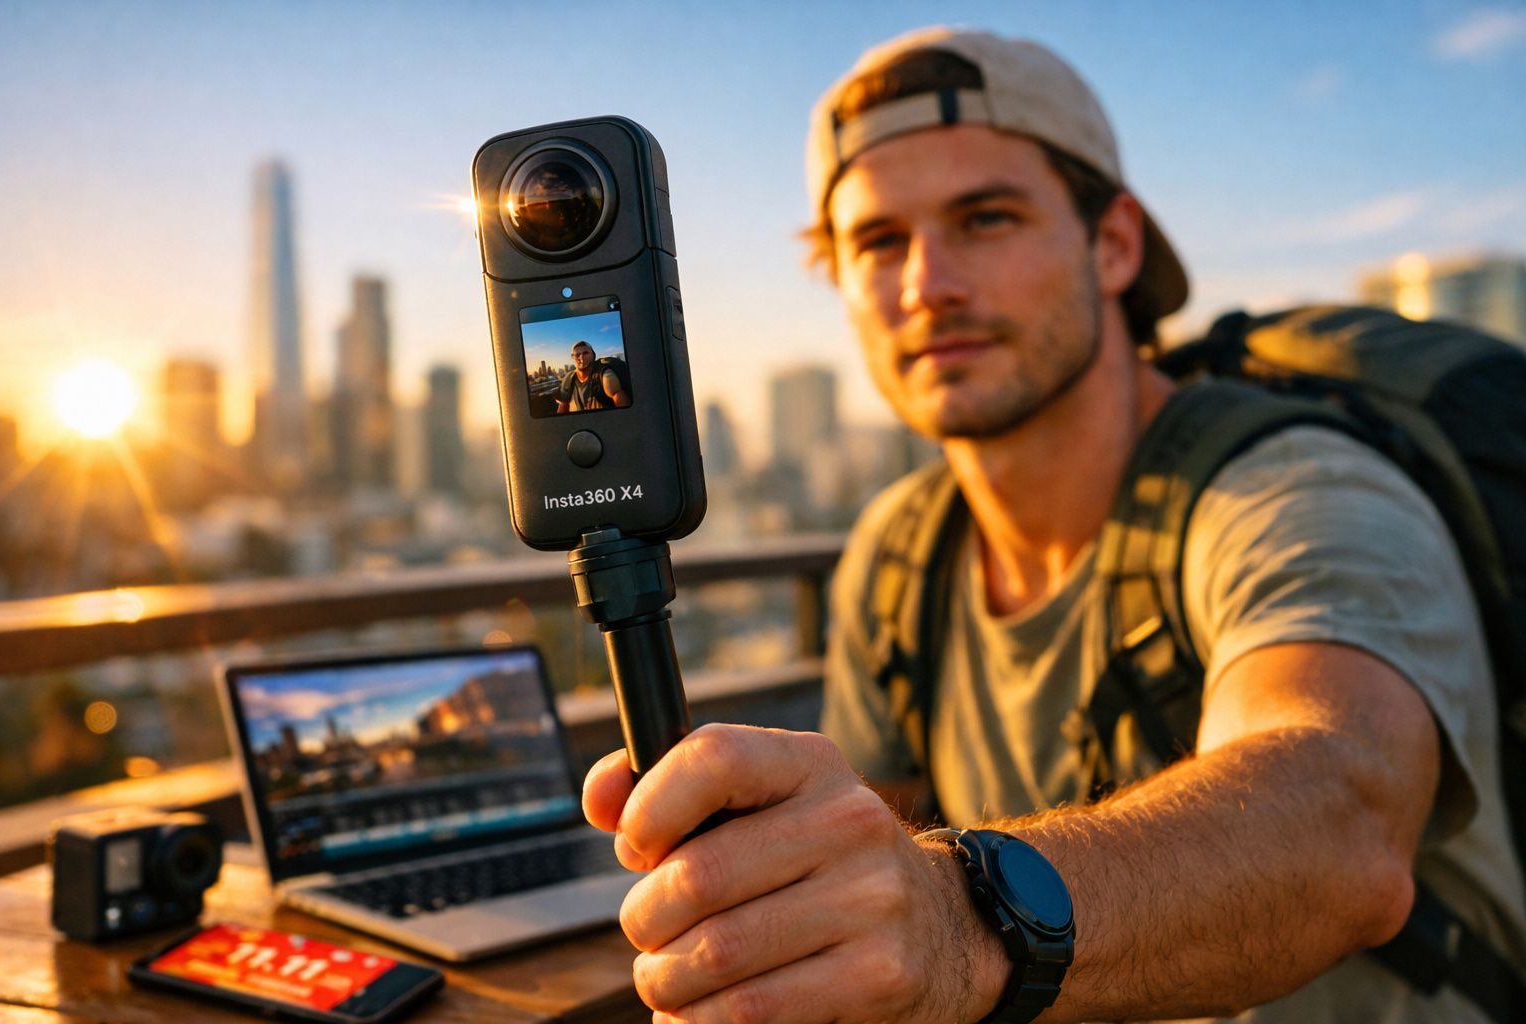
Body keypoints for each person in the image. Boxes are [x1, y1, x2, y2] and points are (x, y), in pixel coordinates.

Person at [582, 26, 1526, 1024]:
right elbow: (875, 870)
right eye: (878, 242)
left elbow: (1338, 820)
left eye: (985, 218)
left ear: (1113, 244)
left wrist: (960, 918)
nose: (926, 285)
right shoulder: (901, 552)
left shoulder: (1293, 489)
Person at [557, 340, 628, 412]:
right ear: (573, 357)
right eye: (577, 354)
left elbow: (623, 407)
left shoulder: (605, 376)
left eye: (585, 353)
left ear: (593, 356)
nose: (581, 357)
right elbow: (563, 406)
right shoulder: (568, 378)